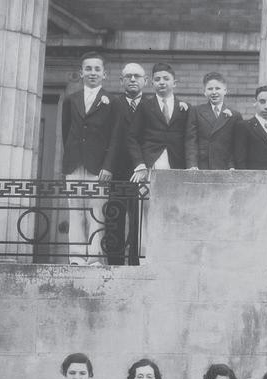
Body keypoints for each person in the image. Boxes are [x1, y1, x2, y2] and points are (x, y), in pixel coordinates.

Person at [62, 52, 121, 265]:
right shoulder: (71, 100)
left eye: (97, 69)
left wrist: (108, 166)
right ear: (81, 73)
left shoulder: (112, 101)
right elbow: (66, 132)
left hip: (99, 167)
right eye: (88, 69)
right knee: (75, 210)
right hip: (74, 164)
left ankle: (95, 258)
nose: (92, 73)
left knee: (96, 212)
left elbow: (115, 137)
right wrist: (71, 159)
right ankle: (77, 258)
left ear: (104, 74)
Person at [103, 62, 146, 266]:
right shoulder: (113, 104)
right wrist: (107, 166)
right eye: (128, 76)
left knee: (140, 218)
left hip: (142, 170)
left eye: (137, 76)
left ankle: (136, 262)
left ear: (145, 81)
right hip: (118, 170)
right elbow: (105, 137)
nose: (133, 79)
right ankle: (114, 263)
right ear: (121, 81)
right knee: (115, 216)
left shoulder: (151, 105)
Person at [130, 63, 189, 175]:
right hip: (151, 163)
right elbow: (132, 137)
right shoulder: (144, 106)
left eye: (166, 79)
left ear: (174, 83)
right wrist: (139, 164)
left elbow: (189, 139)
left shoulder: (184, 108)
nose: (161, 82)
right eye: (157, 79)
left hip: (177, 164)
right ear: (152, 83)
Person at [184, 72, 240, 170]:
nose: (214, 92)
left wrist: (232, 166)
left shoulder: (235, 115)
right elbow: (191, 141)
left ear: (225, 90)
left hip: (225, 166)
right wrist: (192, 165)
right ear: (204, 92)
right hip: (202, 165)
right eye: (210, 89)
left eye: (217, 88)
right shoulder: (196, 111)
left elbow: (236, 145)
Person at [233, 86, 267, 170]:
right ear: (255, 102)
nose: (266, 106)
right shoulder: (244, 126)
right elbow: (240, 161)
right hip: (252, 177)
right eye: (262, 102)